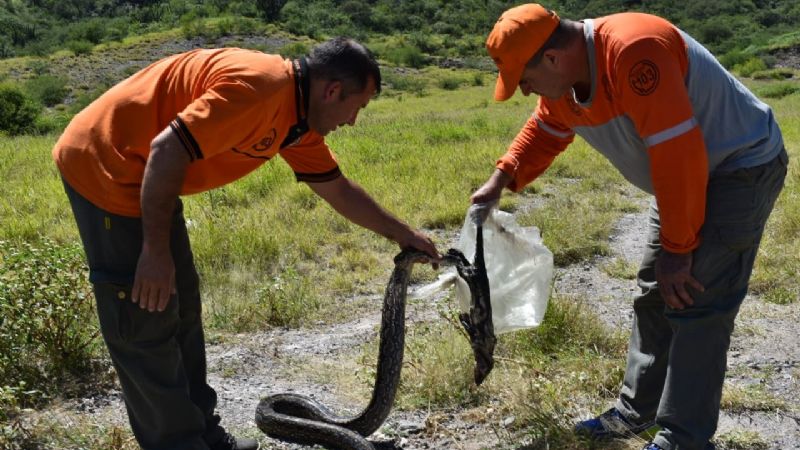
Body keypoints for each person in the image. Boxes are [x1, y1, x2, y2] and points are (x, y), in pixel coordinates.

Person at [52, 38, 440, 450]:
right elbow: (166, 149)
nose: (353, 121)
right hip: (106, 166)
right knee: (146, 318)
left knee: (182, 306)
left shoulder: (296, 120)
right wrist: (154, 251)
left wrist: (404, 234)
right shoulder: (260, 89)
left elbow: (338, 189)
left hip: (152, 177)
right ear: (332, 91)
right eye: (356, 107)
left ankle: (205, 435)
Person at [472, 4, 788, 450]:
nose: (524, 90)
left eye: (524, 79)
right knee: (655, 292)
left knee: (696, 298)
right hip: (680, 177)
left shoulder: (634, 51)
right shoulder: (564, 82)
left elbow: (679, 154)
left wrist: (678, 250)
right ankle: (636, 414)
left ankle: (684, 438)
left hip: (739, 166)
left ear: (553, 58)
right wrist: (501, 179)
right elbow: (547, 128)